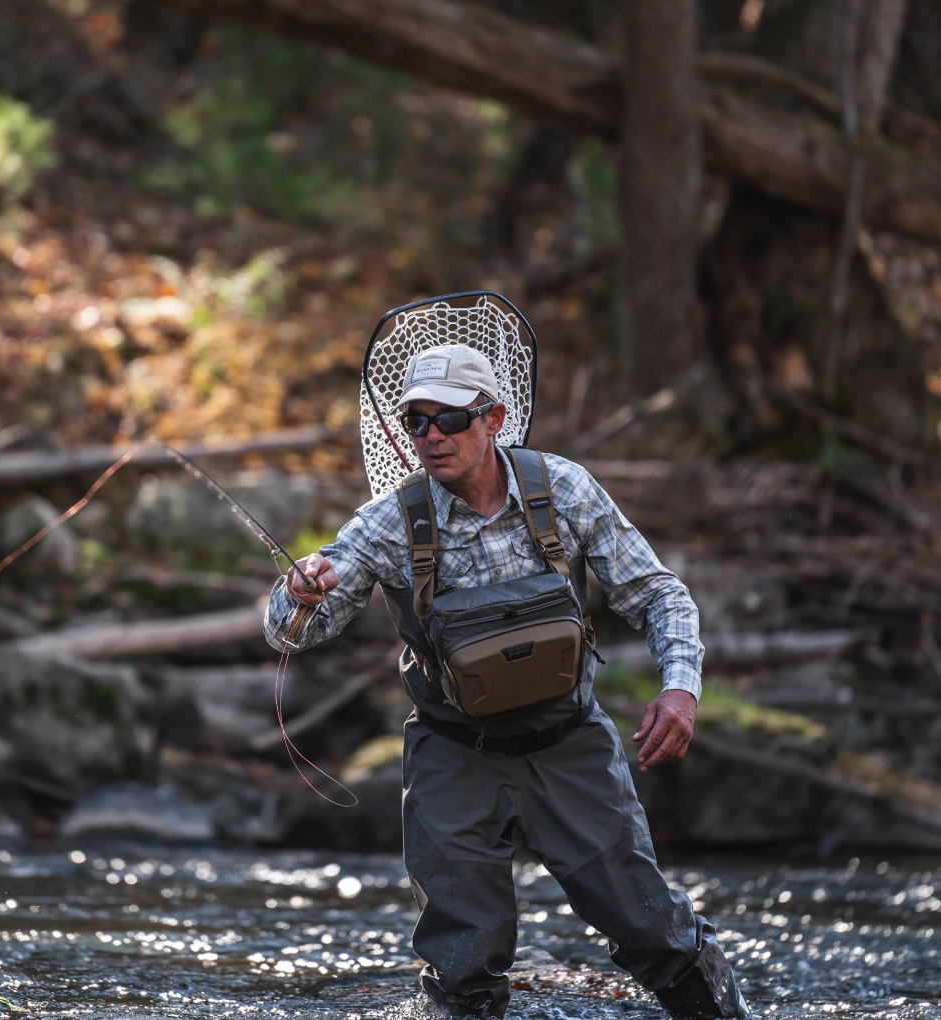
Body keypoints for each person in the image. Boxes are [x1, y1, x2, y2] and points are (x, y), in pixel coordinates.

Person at [263, 343, 748, 1020]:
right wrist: (300, 595)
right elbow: (293, 632)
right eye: (417, 423)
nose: (432, 437)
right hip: (452, 754)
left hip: (569, 745)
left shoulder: (565, 490)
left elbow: (659, 596)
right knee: (462, 965)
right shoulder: (388, 523)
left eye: (451, 419)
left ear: (494, 418)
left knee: (653, 931)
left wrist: (681, 687)